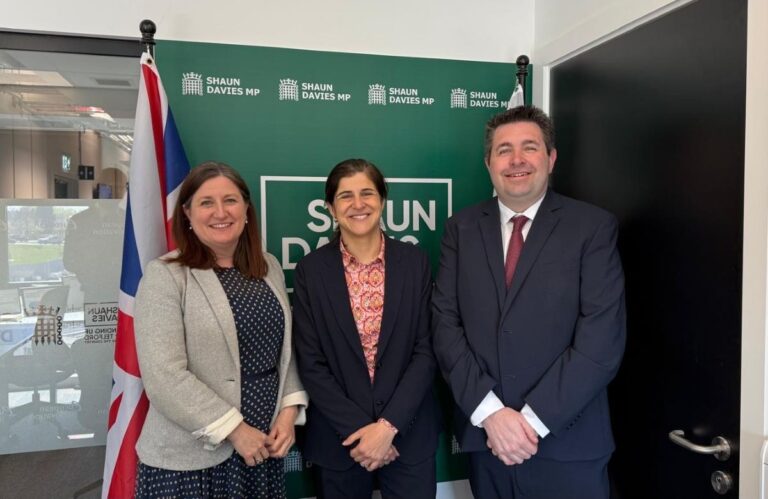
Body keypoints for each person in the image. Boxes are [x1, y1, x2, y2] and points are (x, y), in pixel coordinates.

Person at [432, 106, 626, 499]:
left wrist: (528, 423)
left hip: (568, 447)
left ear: (551, 158)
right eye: (503, 150)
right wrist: (492, 417)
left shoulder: (592, 228)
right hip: (489, 446)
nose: (516, 160)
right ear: (488, 162)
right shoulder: (461, 228)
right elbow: (445, 324)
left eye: (529, 147)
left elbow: (601, 343)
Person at [132, 161, 308, 498]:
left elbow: (284, 350)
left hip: (263, 448)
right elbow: (163, 376)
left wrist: (288, 411)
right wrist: (235, 430)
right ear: (187, 213)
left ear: (245, 208)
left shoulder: (268, 266)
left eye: (230, 200)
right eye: (206, 202)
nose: (220, 212)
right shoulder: (166, 276)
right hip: (191, 460)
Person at [292, 159, 439, 499]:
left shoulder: (415, 262)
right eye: (345, 196)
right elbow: (311, 363)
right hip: (341, 440)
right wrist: (363, 433)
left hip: (408, 435)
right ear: (330, 207)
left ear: (383, 200)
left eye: (367, 193)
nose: (358, 205)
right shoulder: (311, 271)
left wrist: (387, 428)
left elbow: (426, 350)